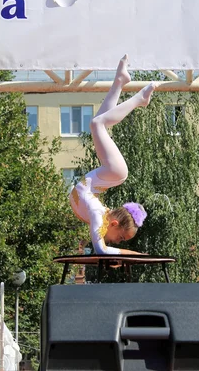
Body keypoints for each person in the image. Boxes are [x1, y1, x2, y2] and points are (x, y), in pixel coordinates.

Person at [69, 54, 156, 255]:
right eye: (121, 237)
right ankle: (139, 99)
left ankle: (120, 81)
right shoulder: (99, 215)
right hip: (114, 172)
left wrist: (123, 256)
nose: (119, 242)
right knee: (97, 124)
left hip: (110, 173)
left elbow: (102, 251)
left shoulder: (100, 214)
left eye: (122, 240)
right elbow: (102, 250)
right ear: (115, 224)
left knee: (100, 123)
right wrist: (136, 256)